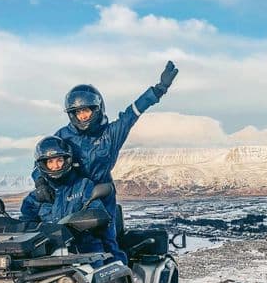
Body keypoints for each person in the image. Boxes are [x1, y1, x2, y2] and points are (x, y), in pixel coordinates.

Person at [32, 61, 179, 264]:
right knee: (55, 243)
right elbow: (43, 160)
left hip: (100, 193)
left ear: (97, 108)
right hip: (67, 194)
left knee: (106, 242)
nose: (82, 116)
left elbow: (132, 114)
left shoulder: (110, 134)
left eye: (86, 111)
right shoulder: (62, 135)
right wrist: (40, 183)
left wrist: (159, 89)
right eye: (77, 112)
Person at [20, 136, 108, 258]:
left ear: (67, 160)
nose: (55, 166)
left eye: (59, 160)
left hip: (85, 249)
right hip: (48, 252)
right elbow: (25, 224)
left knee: (95, 274)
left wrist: (81, 224)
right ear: (43, 164)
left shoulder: (83, 185)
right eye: (50, 162)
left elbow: (97, 213)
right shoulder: (35, 197)